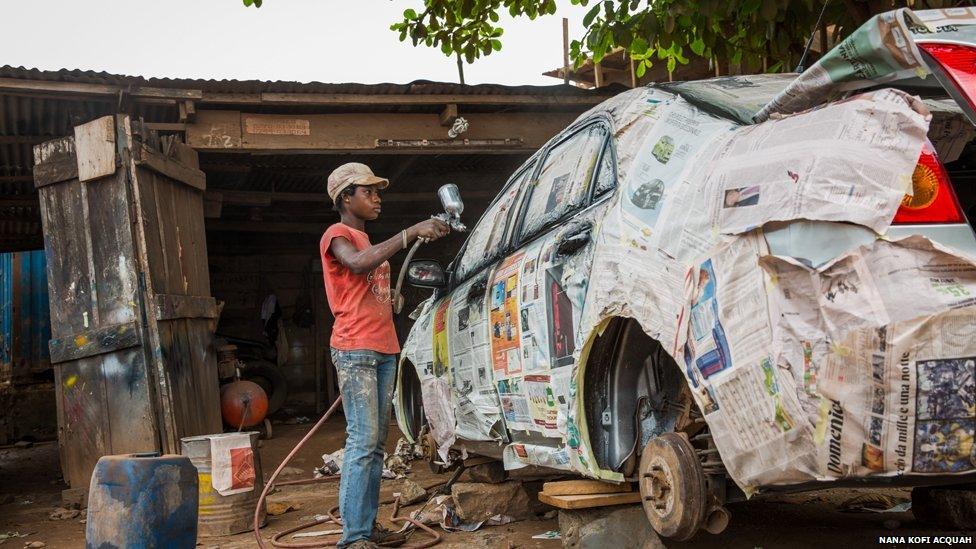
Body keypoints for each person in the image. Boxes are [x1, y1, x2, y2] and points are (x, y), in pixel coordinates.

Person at [320, 162, 449, 549]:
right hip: (355, 347)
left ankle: (366, 526)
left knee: (375, 444)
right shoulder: (337, 234)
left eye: (378, 192)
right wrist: (409, 233)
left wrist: (391, 298)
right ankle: (353, 537)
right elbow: (358, 265)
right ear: (346, 198)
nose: (377, 199)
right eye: (368, 192)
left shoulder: (369, 241)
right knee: (362, 442)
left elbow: (367, 280)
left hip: (385, 347)